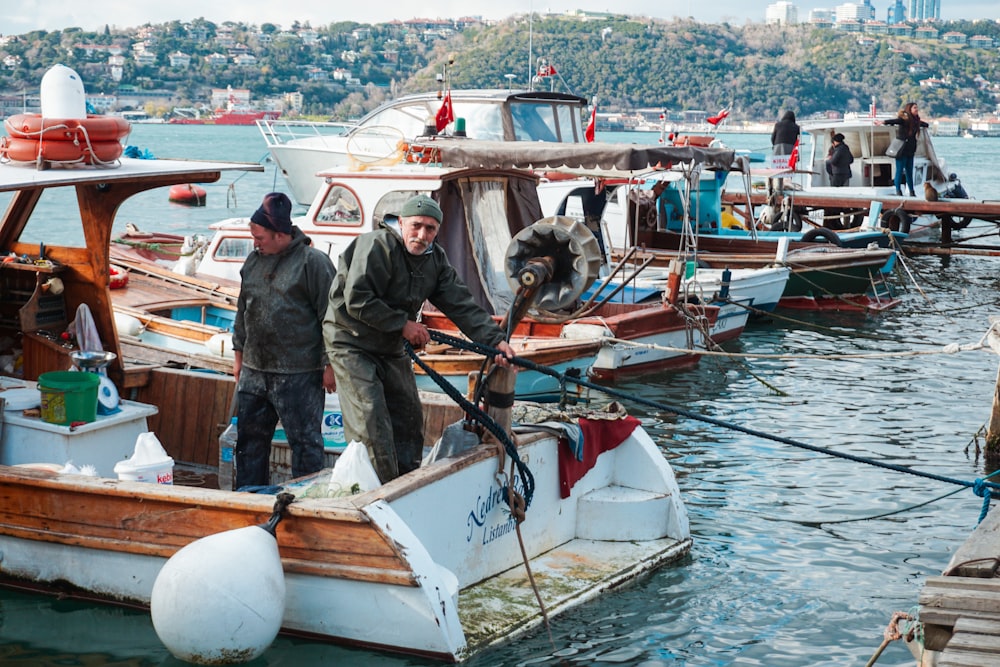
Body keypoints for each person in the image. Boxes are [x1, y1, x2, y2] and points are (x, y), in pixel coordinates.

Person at [323, 194, 515, 484]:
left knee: (408, 415)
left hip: (389, 344)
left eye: (430, 229)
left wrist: (495, 341)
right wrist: (403, 324)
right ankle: (375, 491)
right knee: (370, 417)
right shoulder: (377, 246)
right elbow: (357, 300)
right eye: (416, 226)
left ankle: (405, 483)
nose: (422, 235)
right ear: (401, 223)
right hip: (351, 341)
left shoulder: (435, 259)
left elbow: (460, 303)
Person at [232, 192, 336, 489]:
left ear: (280, 235)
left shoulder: (313, 263)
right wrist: (238, 357)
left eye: (260, 237)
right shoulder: (253, 261)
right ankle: (249, 497)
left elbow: (331, 317)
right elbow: (243, 310)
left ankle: (304, 503)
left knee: (305, 444)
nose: (255, 242)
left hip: (299, 374)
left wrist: (329, 364)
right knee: (249, 441)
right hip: (255, 371)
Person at [883, 101, 929, 197]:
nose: (917, 110)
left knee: (909, 171)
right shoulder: (904, 119)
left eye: (917, 108)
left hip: (910, 150)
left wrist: (925, 125)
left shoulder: (916, 121)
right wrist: (884, 122)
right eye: (914, 108)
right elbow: (896, 121)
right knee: (899, 170)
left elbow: (924, 124)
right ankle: (898, 190)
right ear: (910, 109)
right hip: (902, 149)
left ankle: (912, 191)